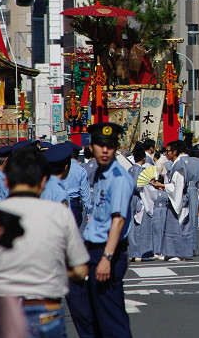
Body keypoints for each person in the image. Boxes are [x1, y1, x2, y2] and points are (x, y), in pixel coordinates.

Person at [0, 147, 89, 338]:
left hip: (1, 308)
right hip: (44, 308)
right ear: (43, 180)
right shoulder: (59, 213)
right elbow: (80, 269)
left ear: (6, 179)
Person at [67, 122, 134, 338]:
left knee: (111, 319)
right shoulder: (100, 174)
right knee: (92, 315)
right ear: (92, 147)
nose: (105, 150)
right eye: (100, 145)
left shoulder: (118, 178)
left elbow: (118, 220)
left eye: (110, 146)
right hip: (92, 250)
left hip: (107, 252)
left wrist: (107, 257)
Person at [153, 140, 196, 261]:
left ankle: (177, 252)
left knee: (177, 226)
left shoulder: (179, 167)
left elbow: (177, 186)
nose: (166, 154)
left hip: (178, 198)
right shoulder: (176, 164)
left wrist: (162, 185)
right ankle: (172, 252)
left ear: (175, 152)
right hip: (176, 197)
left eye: (168, 151)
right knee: (173, 225)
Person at [62, 143, 90, 228]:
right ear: (77, 155)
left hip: (60, 202)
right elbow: (85, 193)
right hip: (74, 204)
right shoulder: (81, 170)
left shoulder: (61, 168)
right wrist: (89, 212)